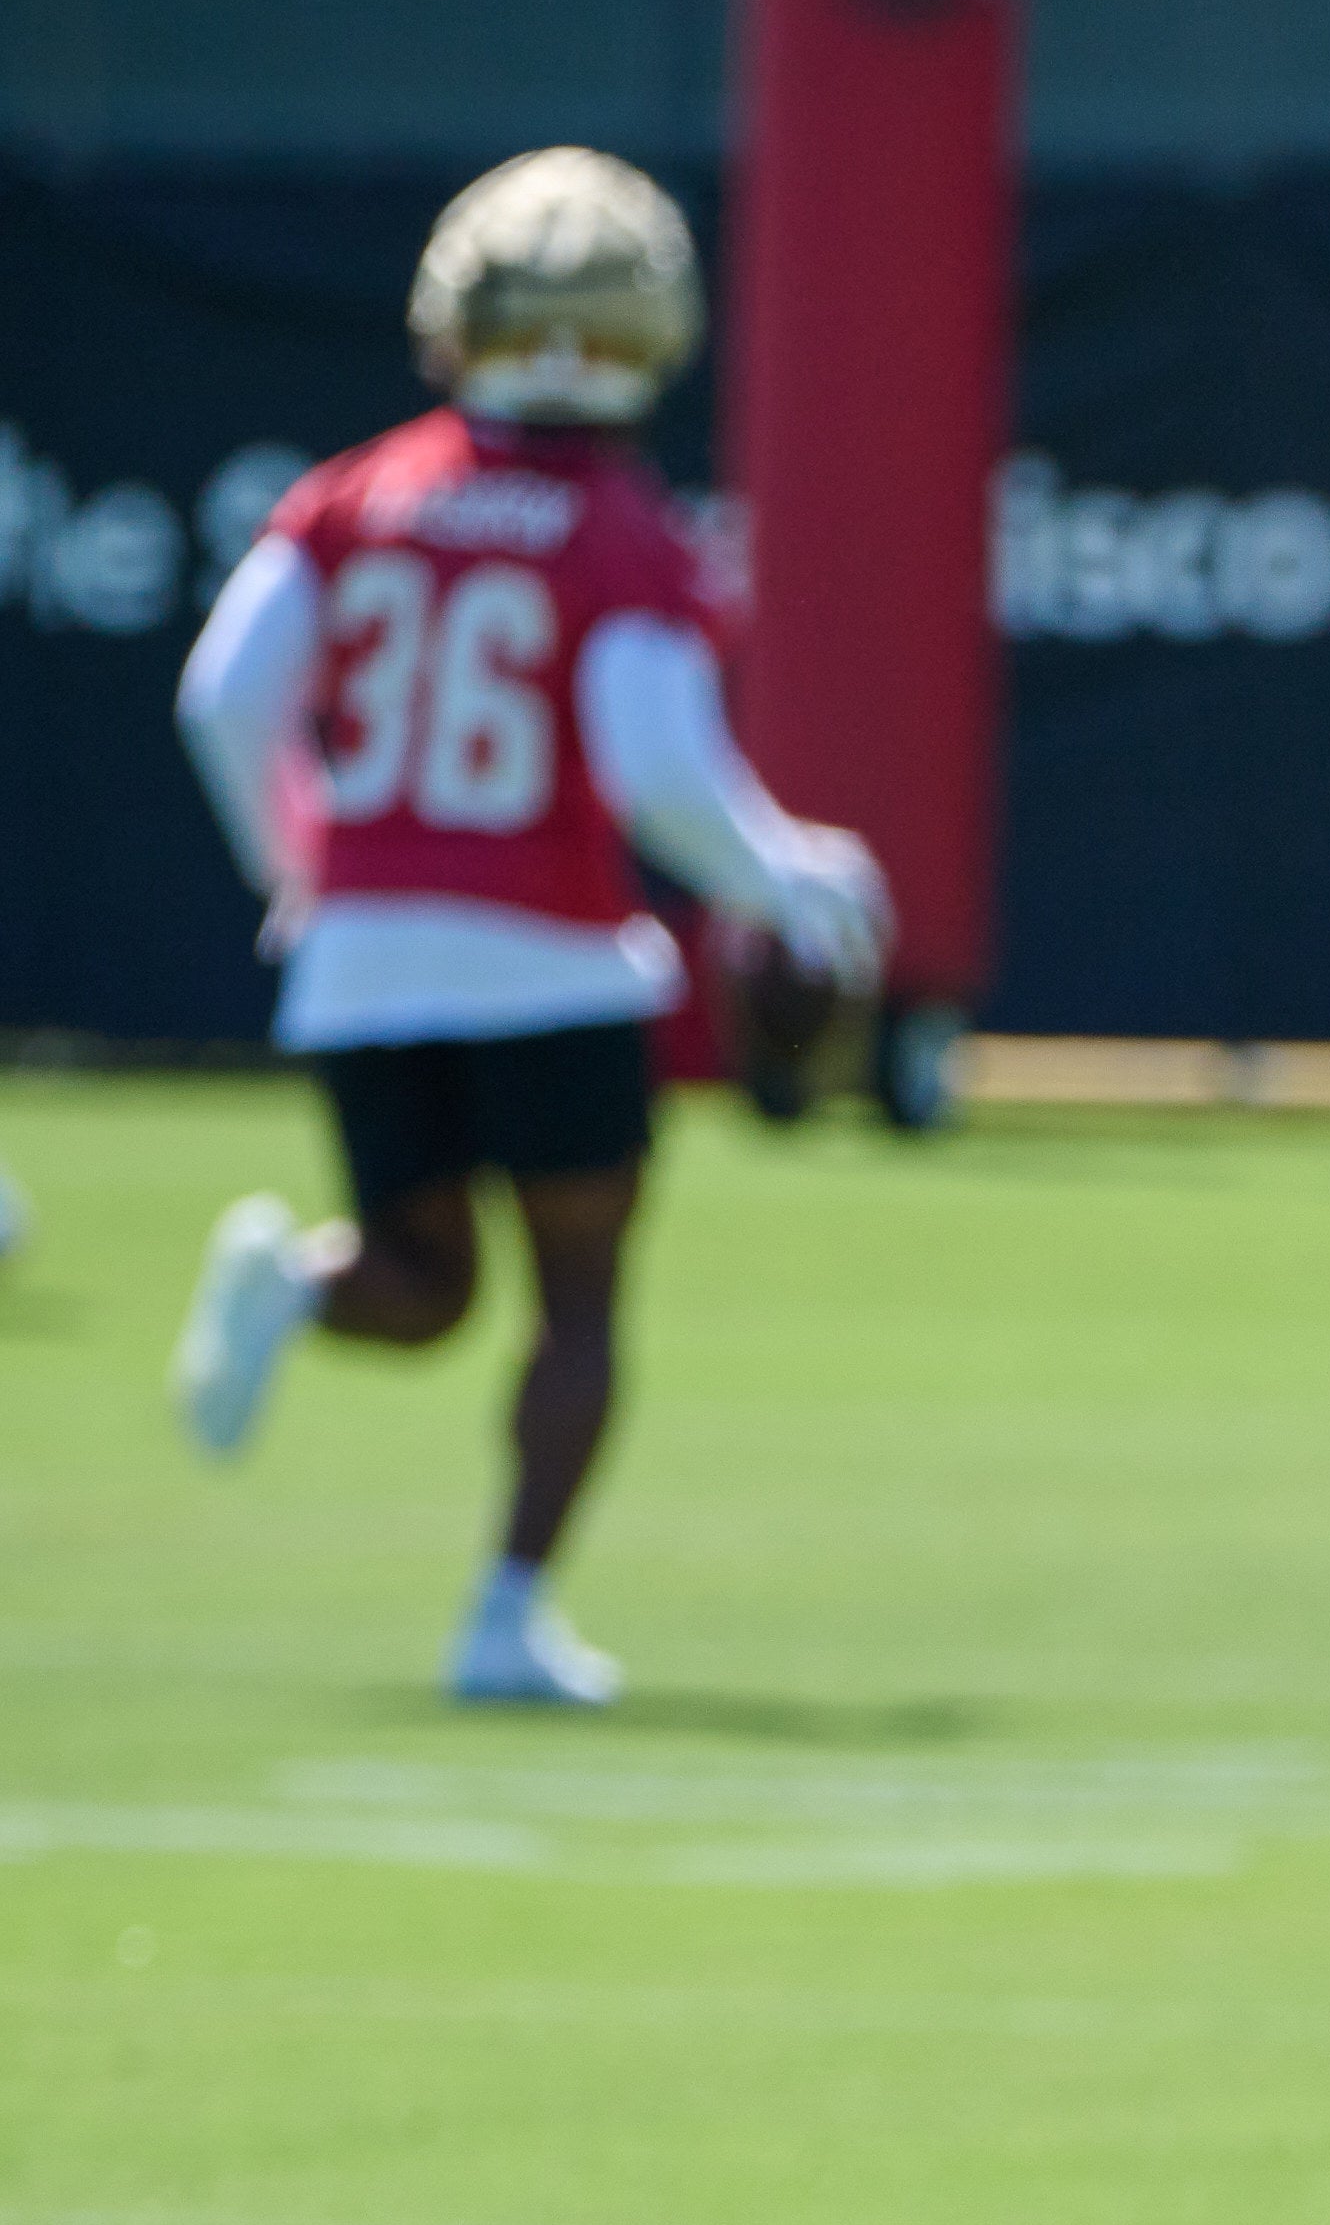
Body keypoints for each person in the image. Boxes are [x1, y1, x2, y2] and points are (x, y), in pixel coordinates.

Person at [167, 145, 886, 1708]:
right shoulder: (620, 528)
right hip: (551, 953)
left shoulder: (356, 492)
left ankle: (298, 1285)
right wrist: (787, 878)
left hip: (360, 954)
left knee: (423, 1286)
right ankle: (506, 1619)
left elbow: (226, 697)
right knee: (571, 1302)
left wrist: (301, 863)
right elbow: (653, 766)